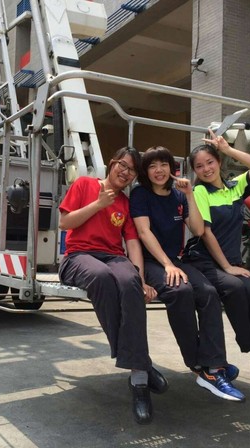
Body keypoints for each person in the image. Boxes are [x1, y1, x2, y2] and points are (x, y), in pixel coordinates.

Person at [58, 146, 168, 425]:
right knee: (102, 277)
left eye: (132, 170)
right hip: (78, 256)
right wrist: (98, 204)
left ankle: (138, 378)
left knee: (129, 280)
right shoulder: (84, 184)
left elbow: (132, 243)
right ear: (112, 163)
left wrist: (141, 279)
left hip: (113, 256)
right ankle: (141, 367)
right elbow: (64, 222)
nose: (126, 172)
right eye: (123, 165)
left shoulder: (126, 204)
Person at [183, 129, 250, 398]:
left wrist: (228, 148)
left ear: (219, 162)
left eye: (210, 162)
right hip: (204, 260)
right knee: (234, 287)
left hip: (229, 261)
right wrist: (228, 266)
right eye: (199, 166)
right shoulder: (200, 191)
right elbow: (205, 233)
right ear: (195, 172)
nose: (206, 169)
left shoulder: (235, 187)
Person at [130, 146, 245, 402]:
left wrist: (190, 195)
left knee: (207, 291)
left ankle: (214, 367)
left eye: (163, 164)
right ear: (145, 172)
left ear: (173, 168)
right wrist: (167, 265)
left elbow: (198, 229)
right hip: (151, 261)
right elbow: (144, 233)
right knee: (180, 291)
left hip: (176, 260)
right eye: (151, 166)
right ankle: (197, 364)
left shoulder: (179, 196)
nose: (159, 170)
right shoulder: (140, 194)